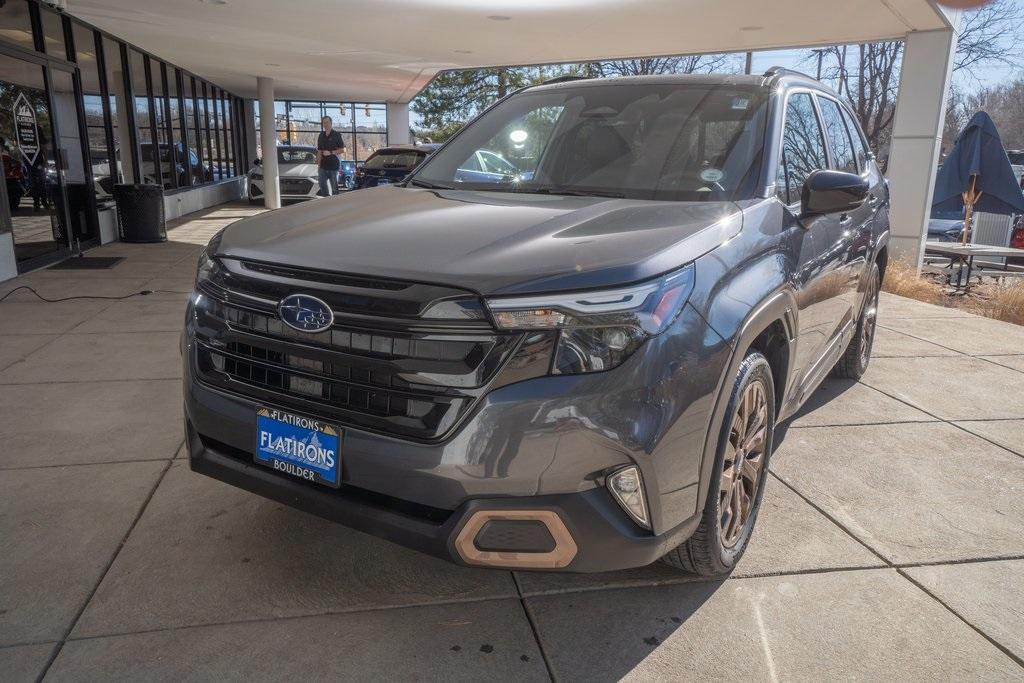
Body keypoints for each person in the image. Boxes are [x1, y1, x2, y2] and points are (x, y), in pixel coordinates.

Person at [316, 115, 345, 196]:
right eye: (324, 123)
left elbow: (343, 149)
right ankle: (327, 200)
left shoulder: (337, 134)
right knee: (321, 184)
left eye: (327, 122)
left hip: (334, 166)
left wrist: (331, 152)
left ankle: (336, 205)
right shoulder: (321, 135)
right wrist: (318, 165)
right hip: (323, 166)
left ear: (331, 123)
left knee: (334, 189)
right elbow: (319, 151)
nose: (325, 124)